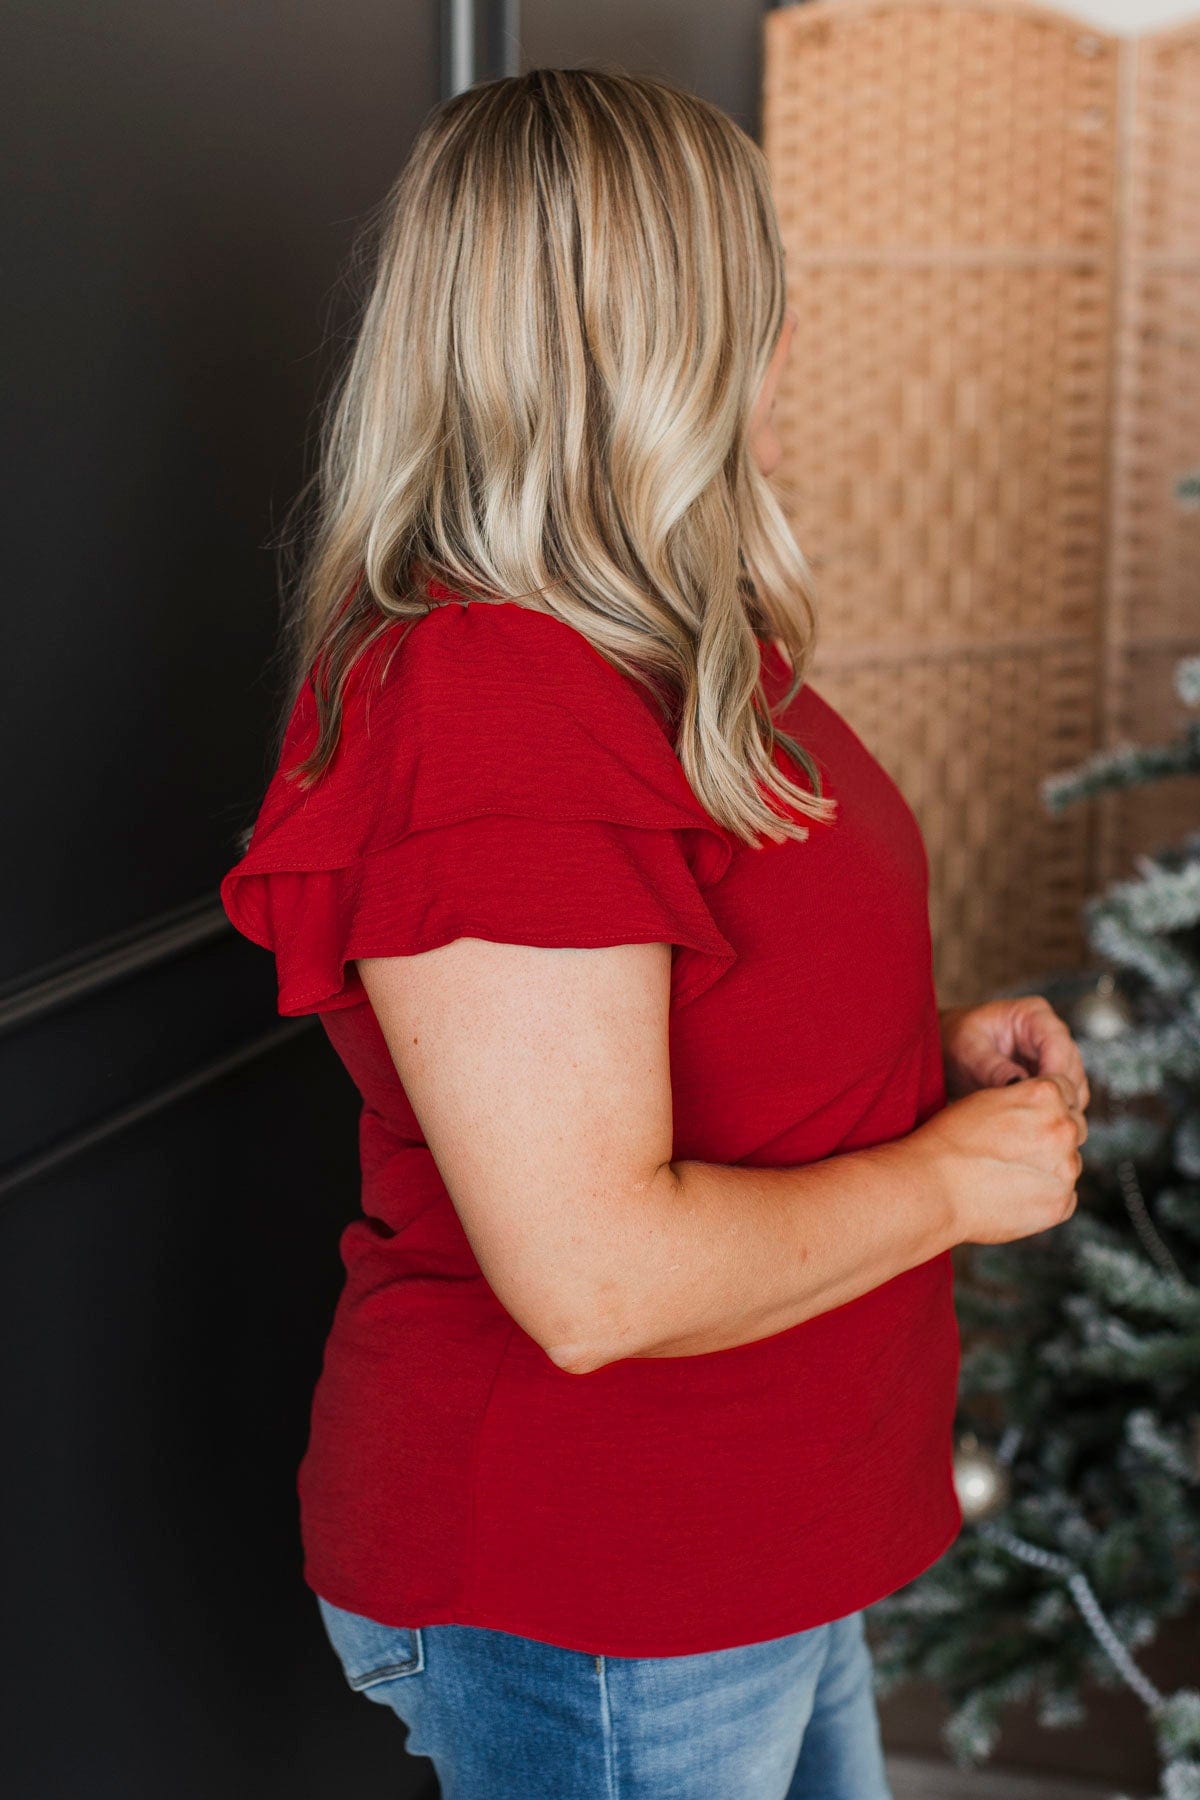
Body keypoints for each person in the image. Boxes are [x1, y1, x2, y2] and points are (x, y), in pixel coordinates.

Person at [220, 66, 1089, 1800]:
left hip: (757, 1535)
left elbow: (696, 1015)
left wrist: (920, 1081)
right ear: (680, 336)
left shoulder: (645, 642)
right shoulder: (480, 700)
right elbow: (596, 1276)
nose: (784, 348)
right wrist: (952, 1185)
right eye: (759, 299)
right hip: (608, 1585)